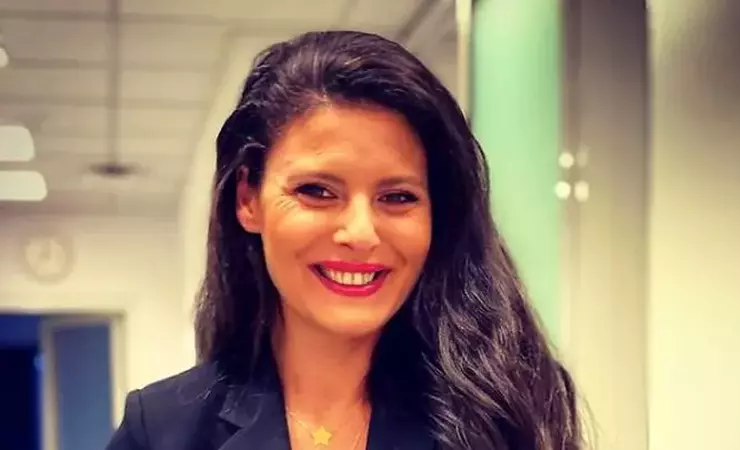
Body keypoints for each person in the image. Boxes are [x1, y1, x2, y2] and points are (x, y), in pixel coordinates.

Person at [106, 30, 581, 450]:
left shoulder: (505, 414)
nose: (360, 233)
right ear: (248, 198)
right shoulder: (165, 430)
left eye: (397, 196)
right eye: (317, 191)